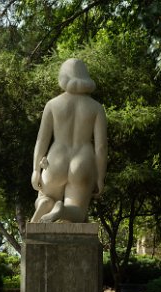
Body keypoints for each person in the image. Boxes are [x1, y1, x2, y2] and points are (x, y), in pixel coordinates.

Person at [30, 58, 107, 223]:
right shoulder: (96, 108)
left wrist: (36, 169)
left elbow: (41, 140)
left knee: (44, 195)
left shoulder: (52, 105)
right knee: (78, 212)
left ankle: (45, 202)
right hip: (83, 159)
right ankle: (63, 210)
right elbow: (100, 148)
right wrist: (100, 177)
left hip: (56, 158)